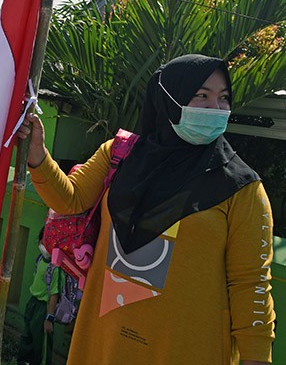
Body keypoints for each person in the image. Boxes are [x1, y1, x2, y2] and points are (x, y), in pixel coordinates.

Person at [18, 54, 274, 365]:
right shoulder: (120, 154)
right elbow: (70, 199)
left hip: (183, 349)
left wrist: (256, 357)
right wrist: (38, 156)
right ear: (168, 98)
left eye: (223, 99)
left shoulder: (241, 187)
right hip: (106, 336)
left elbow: (252, 284)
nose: (215, 109)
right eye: (202, 96)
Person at [18, 228, 65, 365]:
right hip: (33, 302)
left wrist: (49, 318)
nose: (46, 245)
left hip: (43, 309)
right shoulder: (40, 260)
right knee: (27, 336)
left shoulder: (55, 268)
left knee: (41, 344)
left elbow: (54, 295)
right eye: (44, 241)